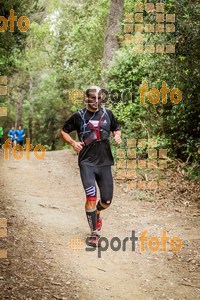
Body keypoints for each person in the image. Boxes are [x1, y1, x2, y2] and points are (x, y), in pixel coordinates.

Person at [61, 86, 122, 247]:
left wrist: (117, 136)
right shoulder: (78, 116)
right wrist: (73, 143)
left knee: (107, 200)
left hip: (105, 162)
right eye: (92, 98)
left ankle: (98, 212)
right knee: (91, 197)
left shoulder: (108, 114)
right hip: (87, 162)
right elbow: (64, 131)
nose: (96, 101)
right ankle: (94, 233)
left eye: (99, 98)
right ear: (86, 98)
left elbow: (116, 128)